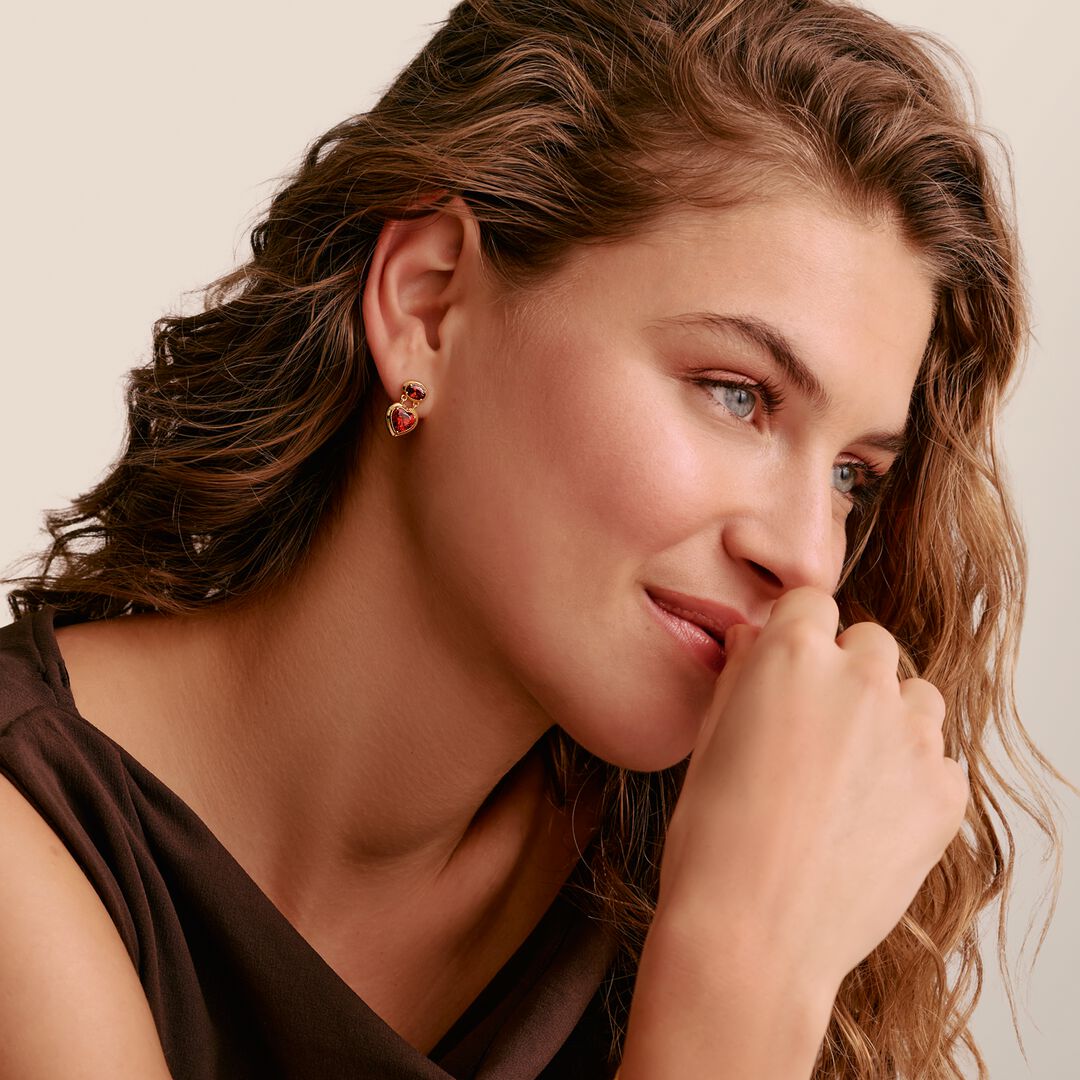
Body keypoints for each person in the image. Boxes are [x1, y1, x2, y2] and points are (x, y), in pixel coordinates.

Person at [0, 0, 1069, 1077]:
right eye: (737, 394)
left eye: (852, 476)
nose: (806, 557)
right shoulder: (26, 851)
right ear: (428, 306)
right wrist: (737, 977)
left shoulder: (702, 841)